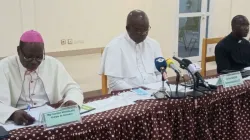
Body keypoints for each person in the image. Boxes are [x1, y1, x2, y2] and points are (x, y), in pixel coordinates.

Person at [0, 30, 83, 125]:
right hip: (18, 120)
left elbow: (73, 88)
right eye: (29, 57)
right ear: (19, 51)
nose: (34, 62)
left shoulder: (53, 64)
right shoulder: (4, 67)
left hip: (50, 118)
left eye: (39, 57)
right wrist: (12, 113)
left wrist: (71, 100)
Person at [100, 10, 163, 92]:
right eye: (139, 30)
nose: (143, 34)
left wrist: (156, 87)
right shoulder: (114, 46)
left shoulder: (154, 44)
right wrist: (138, 92)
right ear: (128, 28)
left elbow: (160, 72)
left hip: (154, 93)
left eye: (146, 30)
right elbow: (115, 83)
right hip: (126, 96)